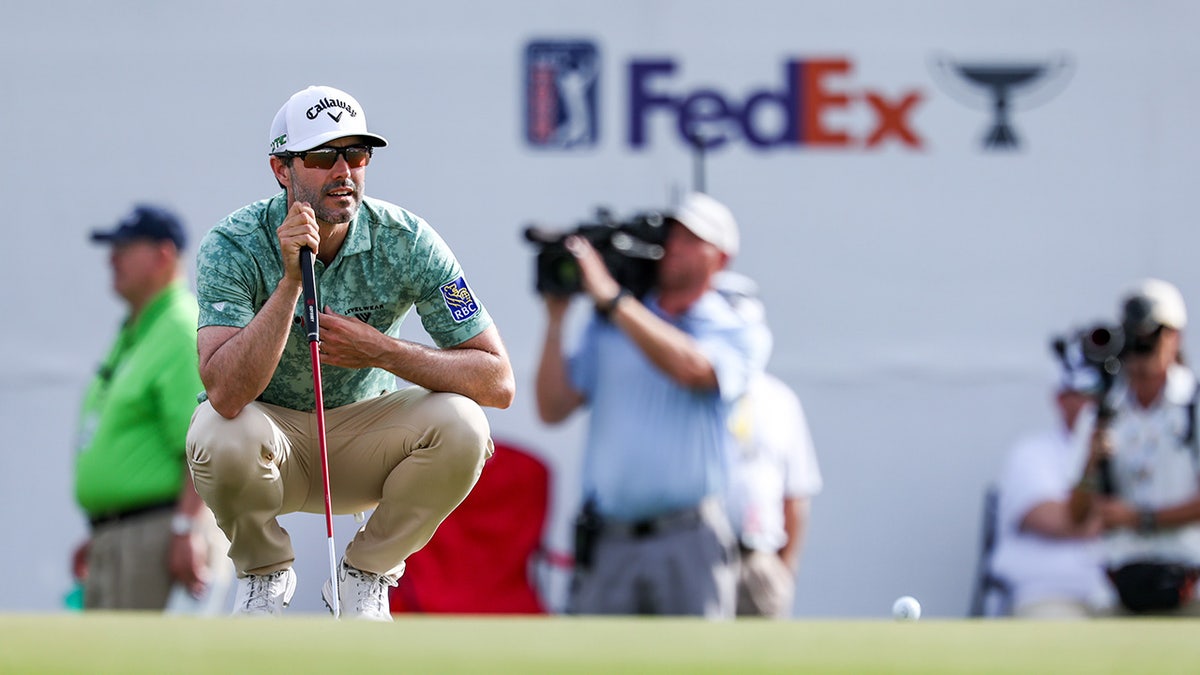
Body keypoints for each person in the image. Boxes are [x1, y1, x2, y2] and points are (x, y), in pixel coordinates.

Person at [186, 85, 515, 621]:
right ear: (280, 168)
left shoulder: (407, 239)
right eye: (321, 156)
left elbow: (497, 381)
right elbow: (224, 392)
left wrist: (381, 350)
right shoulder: (235, 242)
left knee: (465, 424)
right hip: (271, 445)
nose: (344, 171)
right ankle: (264, 573)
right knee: (217, 431)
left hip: (367, 442)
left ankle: (368, 573)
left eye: (356, 154)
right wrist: (292, 279)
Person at [535, 191, 770, 618]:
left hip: (689, 539)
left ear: (721, 258)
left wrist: (612, 298)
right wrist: (556, 320)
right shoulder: (612, 321)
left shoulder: (734, 325)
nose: (672, 246)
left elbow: (693, 369)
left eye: (690, 238)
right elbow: (553, 408)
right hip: (609, 541)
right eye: (671, 235)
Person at [72, 204, 232, 612]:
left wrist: (186, 528)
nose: (112, 259)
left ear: (163, 255)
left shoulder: (179, 329)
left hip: (162, 534)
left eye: (125, 248)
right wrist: (105, 527)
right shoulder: (142, 329)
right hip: (128, 534)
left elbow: (207, 443)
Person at [1071, 278, 1200, 615]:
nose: (1139, 355)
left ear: (1175, 338)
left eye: (1150, 340)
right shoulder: (1103, 411)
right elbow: (1076, 513)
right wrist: (1090, 464)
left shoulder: (1194, 404)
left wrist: (1143, 518)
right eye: (1133, 341)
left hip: (1191, 580)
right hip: (1119, 584)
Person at [715, 271, 822, 619]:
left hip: (757, 558)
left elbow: (796, 495)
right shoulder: (680, 389)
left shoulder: (779, 399)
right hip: (696, 557)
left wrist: (784, 571)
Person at [988, 331, 1111, 618]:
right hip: (1049, 595)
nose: (1096, 404)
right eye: (1084, 395)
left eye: (1101, 395)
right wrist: (1130, 518)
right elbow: (1061, 521)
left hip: (1119, 595)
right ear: (1060, 398)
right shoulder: (1031, 453)